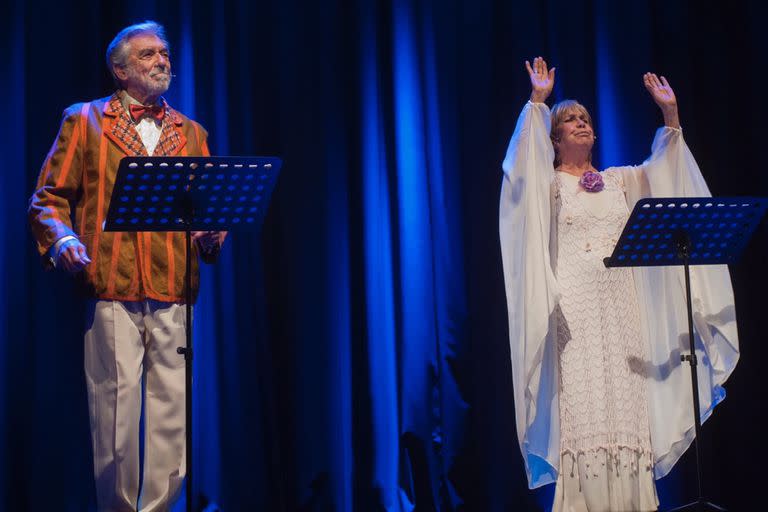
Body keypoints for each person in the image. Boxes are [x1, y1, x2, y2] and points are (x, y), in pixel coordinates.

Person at [499, 57, 739, 511]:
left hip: (620, 308)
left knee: (625, 405)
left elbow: (665, 171)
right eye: (571, 119)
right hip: (574, 310)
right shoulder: (548, 185)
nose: (582, 123)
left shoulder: (619, 181)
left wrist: (670, 116)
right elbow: (520, 172)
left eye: (586, 118)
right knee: (585, 406)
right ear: (554, 139)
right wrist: (537, 100)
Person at [28, 21, 225, 512]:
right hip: (113, 283)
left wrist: (211, 232)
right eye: (148, 55)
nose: (162, 61)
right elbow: (47, 199)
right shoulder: (86, 120)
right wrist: (63, 240)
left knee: (172, 420)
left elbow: (206, 213)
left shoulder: (191, 132)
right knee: (115, 420)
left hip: (173, 286)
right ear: (119, 69)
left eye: (164, 53)